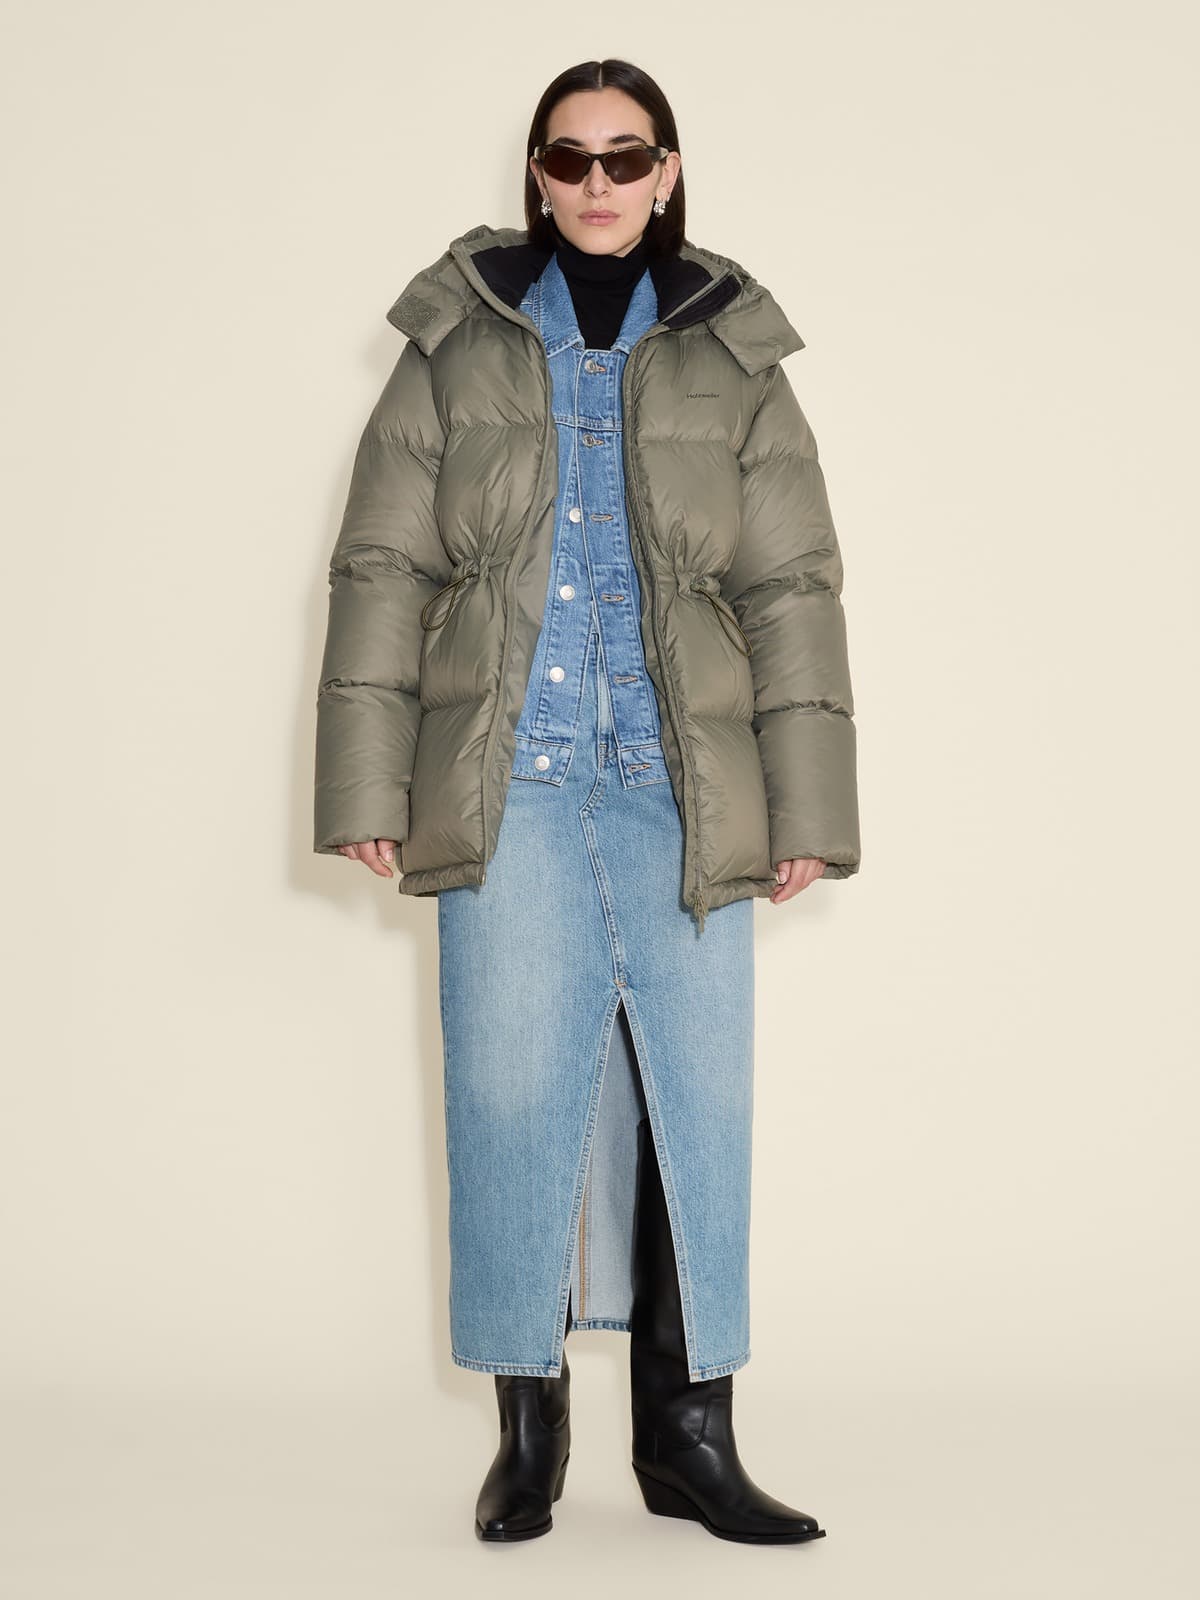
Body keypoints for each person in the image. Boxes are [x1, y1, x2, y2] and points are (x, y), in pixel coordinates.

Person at [313, 58, 860, 1545]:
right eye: (572, 158)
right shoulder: (456, 344)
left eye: (629, 157)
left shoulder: (736, 350)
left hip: (690, 789)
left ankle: (688, 1442)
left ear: (669, 170)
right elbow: (383, 567)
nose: (600, 184)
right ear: (538, 176)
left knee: (697, 1110)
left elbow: (792, 586)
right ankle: (528, 1434)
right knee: (510, 1098)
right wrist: (369, 781)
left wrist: (808, 809)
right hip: (510, 784)